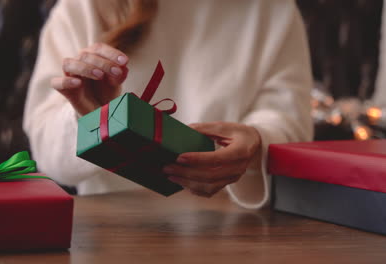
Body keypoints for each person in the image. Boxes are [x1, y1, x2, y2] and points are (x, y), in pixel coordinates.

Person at [24, 0, 313, 209]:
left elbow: (288, 121)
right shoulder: (83, 9)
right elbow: (48, 154)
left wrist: (256, 144)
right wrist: (89, 119)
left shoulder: (274, 11)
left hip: (233, 230)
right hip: (111, 233)